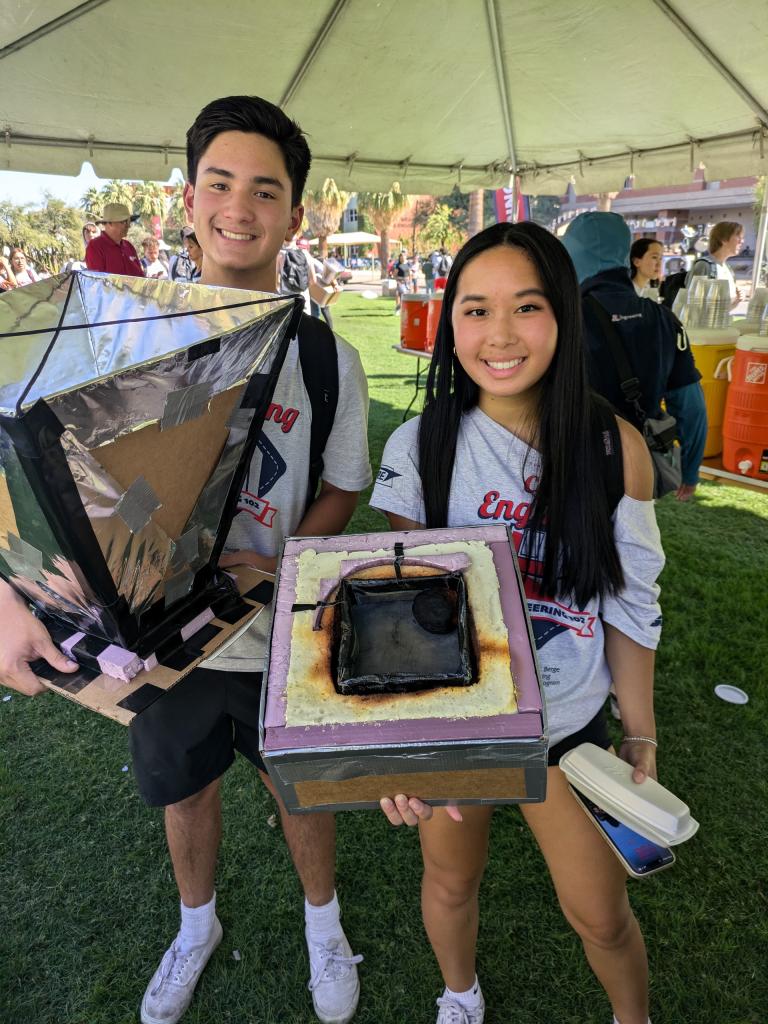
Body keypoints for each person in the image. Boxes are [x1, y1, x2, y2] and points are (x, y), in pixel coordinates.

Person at [0, 94, 371, 1024]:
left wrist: (291, 569)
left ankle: (322, 922)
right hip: (164, 633)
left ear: (295, 211)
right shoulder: (121, 334)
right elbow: (66, 478)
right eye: (219, 182)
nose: (238, 207)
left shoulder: (327, 358)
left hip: (281, 625)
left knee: (301, 788)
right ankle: (195, 922)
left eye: (265, 189)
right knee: (184, 786)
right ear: (187, 196)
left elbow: (339, 483)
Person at [370, 221, 664, 1024]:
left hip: (570, 725)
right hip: (459, 726)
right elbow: (392, 618)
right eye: (475, 310)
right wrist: (399, 741)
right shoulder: (419, 446)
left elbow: (631, 603)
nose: (499, 335)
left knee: (601, 915)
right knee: (451, 879)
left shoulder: (614, 445)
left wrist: (637, 727)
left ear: (563, 316)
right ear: (448, 322)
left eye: (526, 306)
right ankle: (459, 994)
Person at [563, 212, 706, 502]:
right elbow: (692, 408)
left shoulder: (562, 319)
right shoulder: (663, 319)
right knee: (636, 541)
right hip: (641, 464)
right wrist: (690, 472)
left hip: (576, 465)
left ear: (572, 257)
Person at [684, 221, 744, 308]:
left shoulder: (728, 269)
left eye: (742, 238)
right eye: (738, 236)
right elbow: (691, 304)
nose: (742, 241)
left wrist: (736, 301)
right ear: (723, 239)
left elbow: (722, 311)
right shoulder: (703, 265)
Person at [86, 203, 145, 276]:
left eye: (129, 221)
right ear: (110, 223)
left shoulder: (129, 246)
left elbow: (140, 276)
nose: (128, 226)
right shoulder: (95, 246)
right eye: (124, 222)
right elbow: (98, 281)